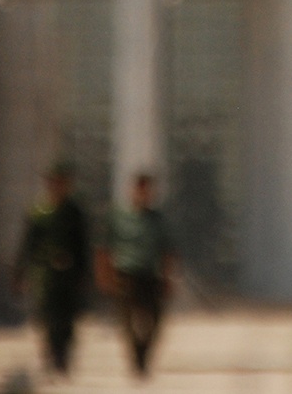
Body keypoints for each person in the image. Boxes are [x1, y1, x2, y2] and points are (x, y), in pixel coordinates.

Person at [14, 161, 91, 378]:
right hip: (45, 274)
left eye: (62, 182)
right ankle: (51, 351)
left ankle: (62, 355)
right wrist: (20, 272)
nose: (58, 186)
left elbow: (82, 244)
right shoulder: (38, 212)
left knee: (67, 317)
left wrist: (85, 274)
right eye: (54, 182)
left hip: (69, 274)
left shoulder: (74, 212)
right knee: (47, 315)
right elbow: (28, 244)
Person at [97, 172, 177, 377]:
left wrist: (168, 279)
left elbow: (168, 251)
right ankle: (135, 355)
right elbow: (105, 249)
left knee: (155, 321)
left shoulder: (157, 219)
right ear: (132, 191)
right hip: (126, 275)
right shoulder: (118, 217)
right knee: (127, 322)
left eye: (147, 190)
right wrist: (105, 277)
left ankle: (144, 350)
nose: (143, 194)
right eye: (140, 189)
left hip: (150, 275)